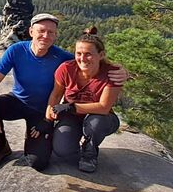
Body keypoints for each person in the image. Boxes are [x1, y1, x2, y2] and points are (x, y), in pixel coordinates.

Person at [0, 14, 126, 171]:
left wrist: (123, 71)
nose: (46, 36)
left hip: (42, 111)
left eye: (51, 32)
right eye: (41, 31)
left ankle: (85, 149)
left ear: (56, 35)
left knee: (38, 162)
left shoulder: (62, 57)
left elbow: (90, 59)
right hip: (18, 101)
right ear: (31, 31)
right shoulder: (16, 51)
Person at [45, 27, 122, 173]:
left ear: (101, 55)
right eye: (78, 53)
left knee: (95, 123)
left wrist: (72, 107)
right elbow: (55, 95)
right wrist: (48, 116)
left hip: (101, 117)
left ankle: (90, 152)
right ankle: (76, 144)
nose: (82, 58)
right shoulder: (66, 69)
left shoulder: (112, 73)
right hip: (72, 117)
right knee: (62, 150)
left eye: (88, 54)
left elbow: (104, 107)